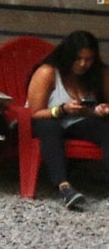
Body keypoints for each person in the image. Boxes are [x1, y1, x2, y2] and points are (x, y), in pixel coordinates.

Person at [22, 30, 108, 210]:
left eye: (89, 59)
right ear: (68, 56)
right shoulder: (48, 72)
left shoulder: (96, 75)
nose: (83, 64)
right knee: (51, 127)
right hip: (44, 120)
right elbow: (34, 113)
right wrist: (61, 110)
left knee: (105, 128)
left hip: (77, 122)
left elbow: (100, 107)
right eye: (78, 59)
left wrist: (99, 110)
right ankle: (64, 187)